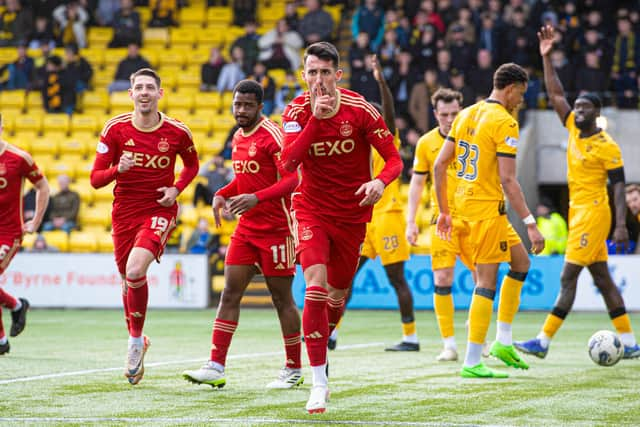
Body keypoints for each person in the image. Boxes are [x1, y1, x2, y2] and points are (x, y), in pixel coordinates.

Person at [281, 42, 402, 413]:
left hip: (352, 215)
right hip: (311, 209)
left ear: (338, 75)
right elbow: (287, 162)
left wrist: (379, 182)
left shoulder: (360, 110)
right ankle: (319, 382)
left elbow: (394, 159)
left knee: (336, 297)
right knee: (314, 286)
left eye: (324, 72)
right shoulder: (296, 111)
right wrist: (315, 119)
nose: (318, 80)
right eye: (311, 72)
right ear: (304, 75)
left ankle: (321, 341)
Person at [515, 26, 640, 360]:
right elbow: (556, 95)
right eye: (578, 107)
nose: (579, 111)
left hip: (594, 213)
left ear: (597, 114)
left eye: (585, 108)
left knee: (568, 277)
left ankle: (542, 340)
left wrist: (621, 224)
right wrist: (545, 57)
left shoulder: (607, 146)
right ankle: (629, 342)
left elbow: (618, 185)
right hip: (579, 211)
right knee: (603, 278)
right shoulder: (572, 126)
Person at [182, 79, 302, 389]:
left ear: (260, 107)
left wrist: (257, 198)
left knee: (282, 300)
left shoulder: (273, 135)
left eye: (248, 105)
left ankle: (293, 368)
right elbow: (245, 180)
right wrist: (223, 192)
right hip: (246, 230)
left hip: (277, 230)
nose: (241, 110)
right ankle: (216, 365)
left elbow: (292, 180)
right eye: (237, 104)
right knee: (229, 294)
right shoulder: (237, 136)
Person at [433, 62, 545, 378]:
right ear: (510, 89)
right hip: (486, 213)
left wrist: (444, 210)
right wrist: (530, 222)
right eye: (521, 94)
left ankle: (503, 341)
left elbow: (440, 165)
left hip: (465, 208)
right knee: (485, 284)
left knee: (521, 263)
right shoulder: (504, 122)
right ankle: (471, 361)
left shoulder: (466, 113)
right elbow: (509, 180)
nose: (521, 100)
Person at [90, 68, 199, 385]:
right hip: (124, 212)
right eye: (139, 87)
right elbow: (95, 180)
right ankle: (139, 339)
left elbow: (192, 165)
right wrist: (116, 169)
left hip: (158, 209)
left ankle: (134, 342)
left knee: (136, 270)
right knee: (127, 279)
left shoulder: (177, 132)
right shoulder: (115, 130)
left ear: (159, 94)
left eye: (150, 87)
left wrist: (176, 189)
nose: (145, 92)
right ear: (131, 94)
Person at [331, 54, 416, 352]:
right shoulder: (355, 146)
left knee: (396, 279)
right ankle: (331, 332)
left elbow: (390, 115)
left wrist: (382, 83)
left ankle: (411, 337)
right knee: (345, 277)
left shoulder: (386, 140)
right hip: (362, 219)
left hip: (388, 215)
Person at [407, 87, 473, 362]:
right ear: (435, 114)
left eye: (454, 113)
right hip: (442, 221)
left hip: (474, 217)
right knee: (442, 278)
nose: (449, 119)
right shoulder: (426, 143)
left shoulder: (474, 138)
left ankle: (477, 337)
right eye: (444, 114)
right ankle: (449, 344)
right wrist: (411, 221)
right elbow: (417, 183)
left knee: (485, 278)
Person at [0, 113, 50, 355]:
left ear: (1, 126)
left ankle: (13, 312)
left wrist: (35, 221)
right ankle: (15, 309)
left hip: (9, 232)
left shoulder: (18, 158)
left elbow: (42, 186)